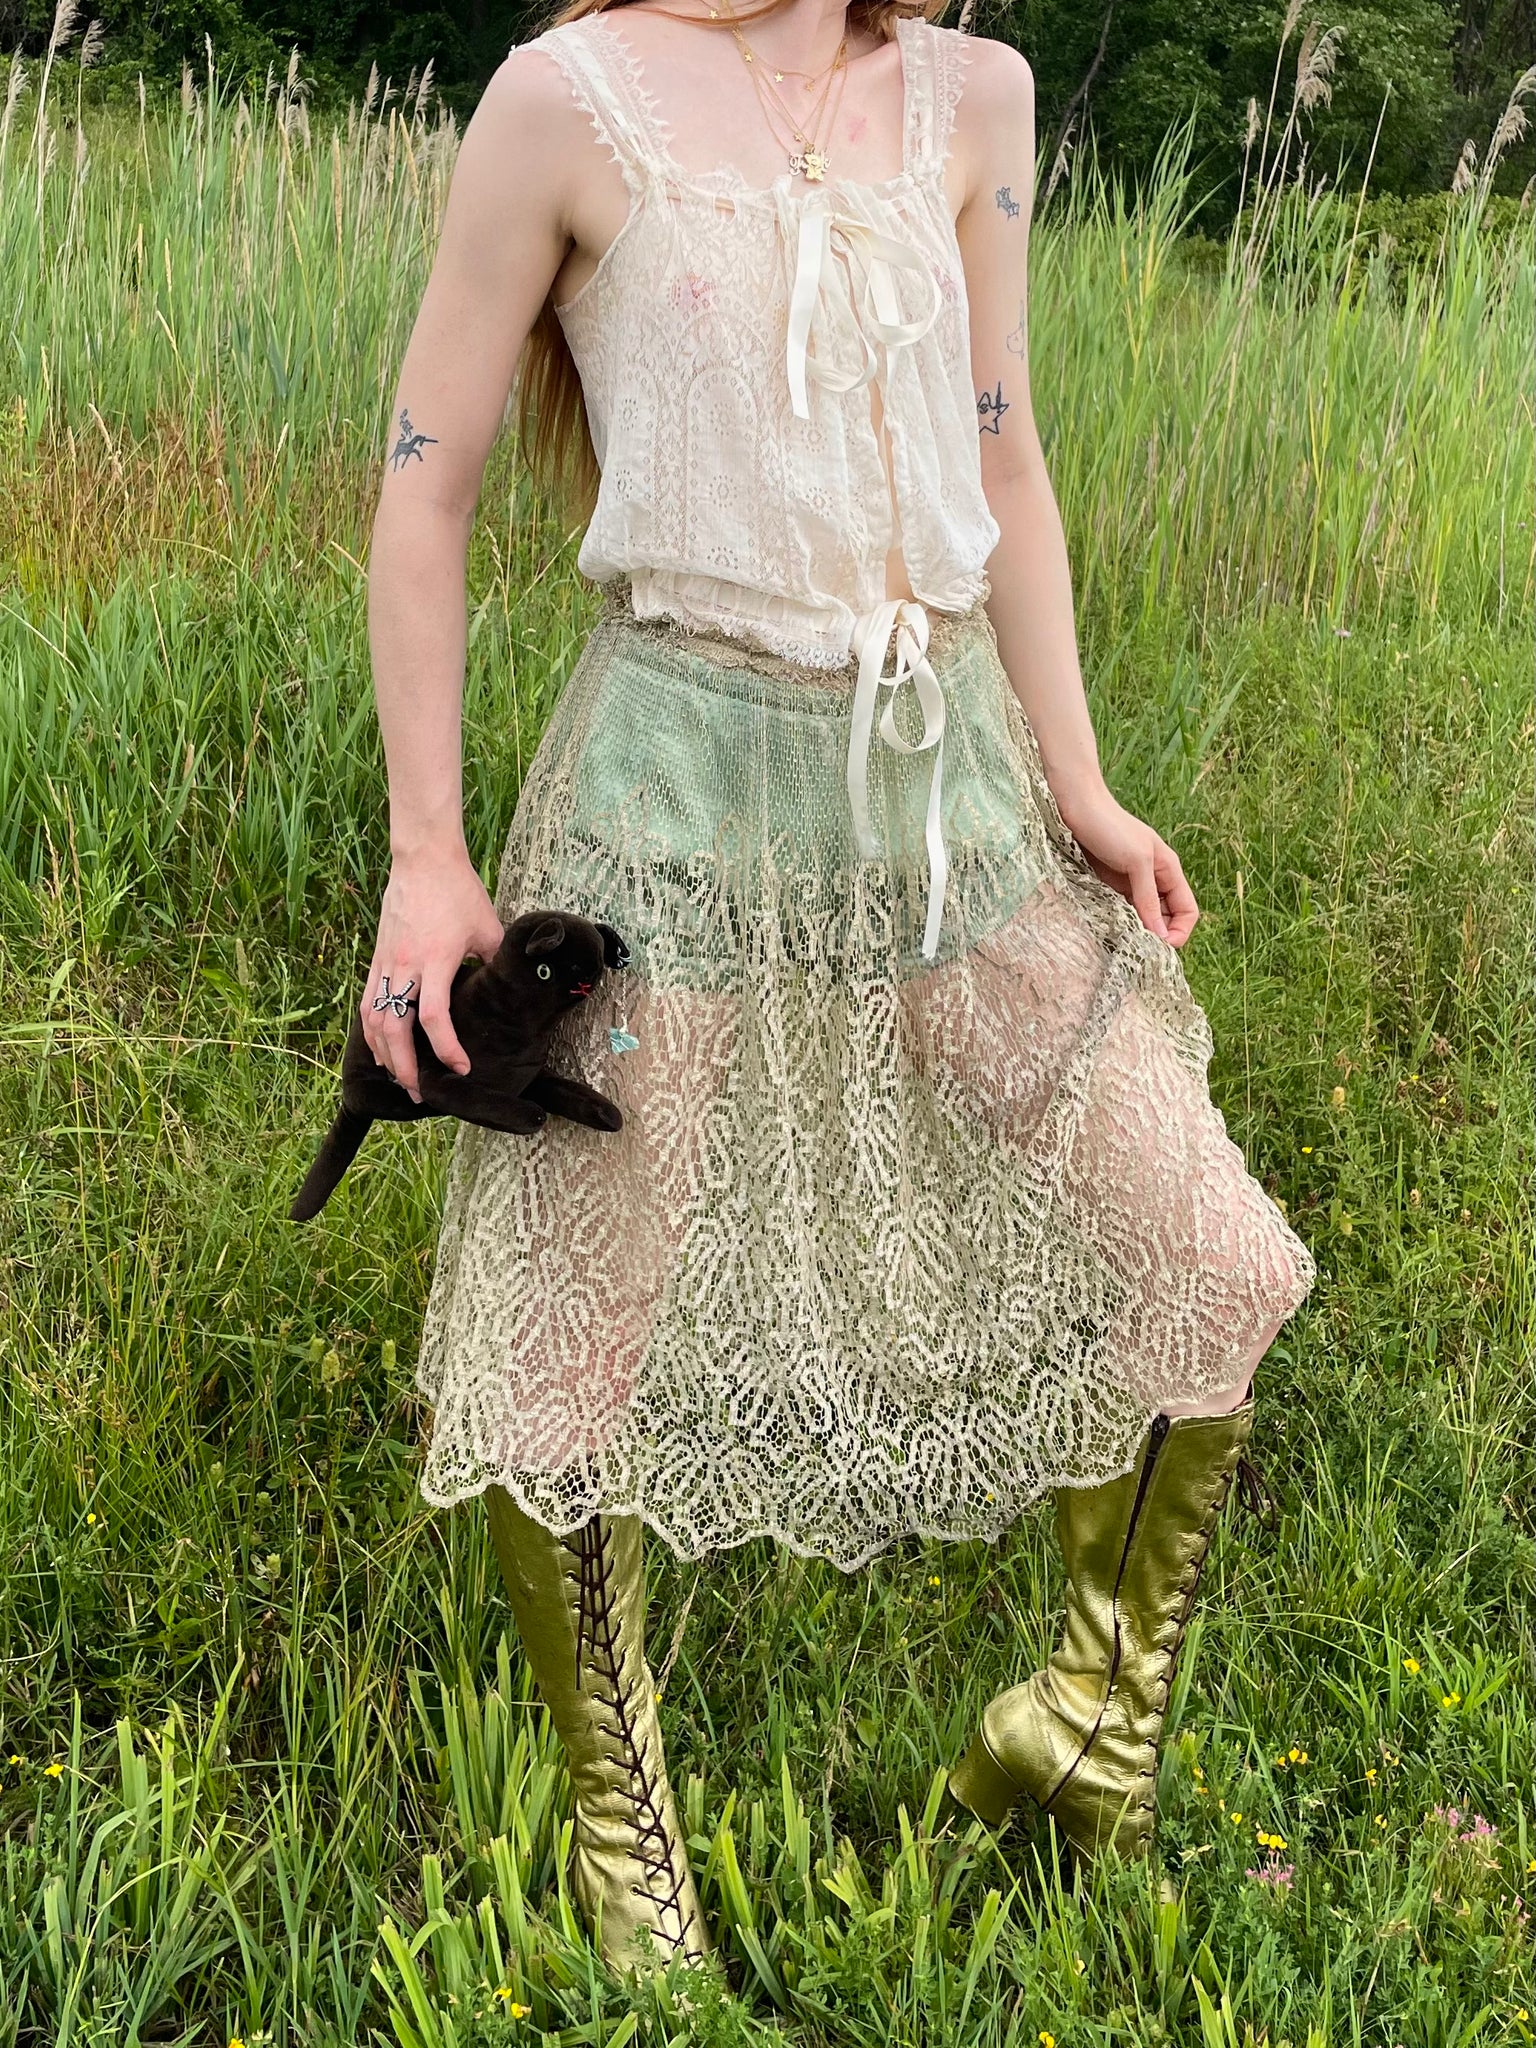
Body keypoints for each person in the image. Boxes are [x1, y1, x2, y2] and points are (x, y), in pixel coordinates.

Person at [357, 0, 1315, 1974]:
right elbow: (422, 496)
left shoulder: (977, 98)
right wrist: (428, 856)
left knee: (1211, 1247)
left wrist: (1080, 778)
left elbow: (1007, 461)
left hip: (940, 777)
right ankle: (631, 1861)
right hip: (666, 791)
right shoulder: (570, 101)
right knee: (568, 1332)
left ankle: (1085, 1727)